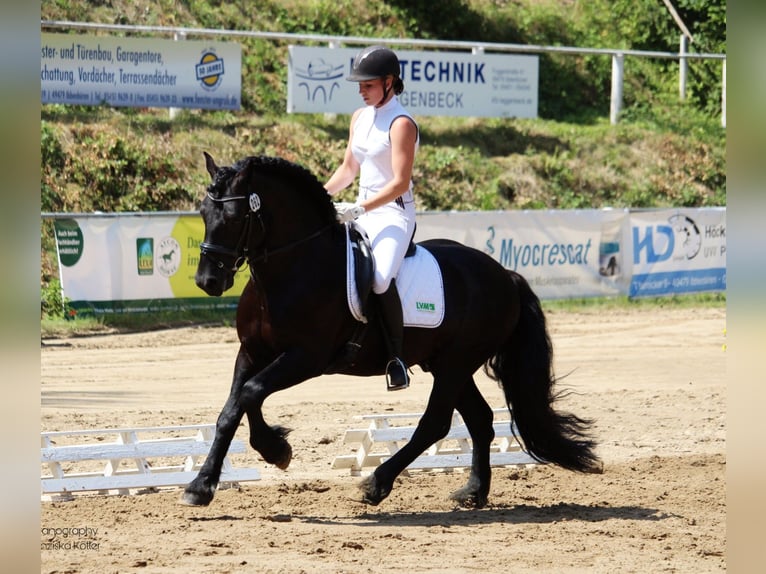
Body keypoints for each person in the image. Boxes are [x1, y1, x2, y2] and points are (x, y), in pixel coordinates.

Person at [324, 45, 419, 391]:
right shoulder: (359, 117)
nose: (361, 91)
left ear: (389, 82)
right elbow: (349, 168)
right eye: (359, 86)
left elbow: (399, 182)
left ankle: (396, 358)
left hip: (393, 215)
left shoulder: (401, 123)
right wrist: (321, 196)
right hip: (359, 207)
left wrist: (361, 209)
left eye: (368, 85)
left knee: (379, 279)